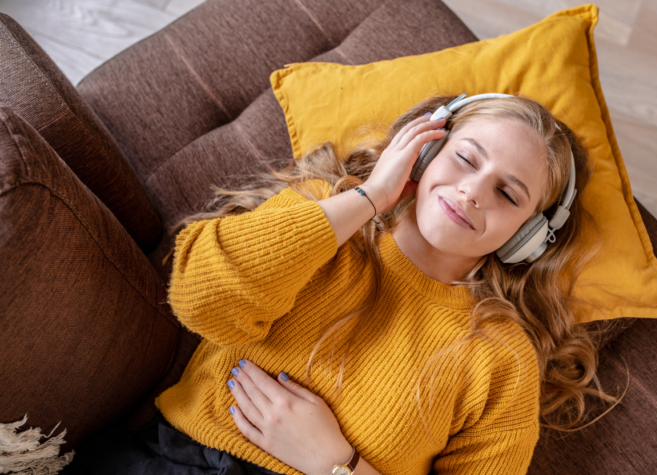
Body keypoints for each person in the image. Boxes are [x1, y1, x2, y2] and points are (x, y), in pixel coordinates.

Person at [64, 93, 626, 475]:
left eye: (509, 194)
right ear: (424, 150)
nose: (474, 191)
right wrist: (370, 198)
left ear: (527, 236)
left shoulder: (503, 359)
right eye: (464, 158)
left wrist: (335, 464)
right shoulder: (322, 213)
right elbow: (200, 300)